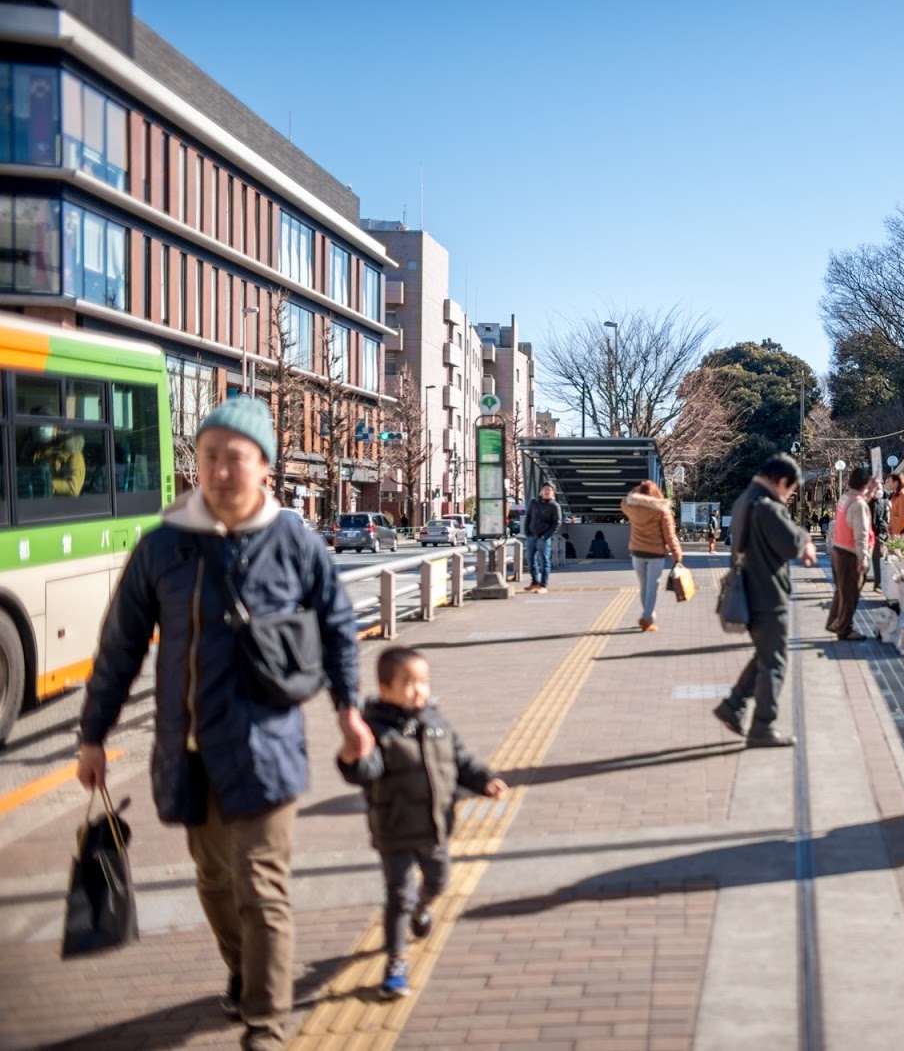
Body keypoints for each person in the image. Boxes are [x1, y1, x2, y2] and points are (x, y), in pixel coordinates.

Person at [76, 395, 372, 1051]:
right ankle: (242, 969)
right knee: (214, 881)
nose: (218, 470)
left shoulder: (293, 540)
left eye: (233, 458)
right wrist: (93, 735)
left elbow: (338, 626)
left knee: (262, 886)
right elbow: (121, 645)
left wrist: (348, 708)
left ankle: (266, 1026)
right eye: (208, 457)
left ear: (265, 466)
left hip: (265, 747)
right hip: (187, 751)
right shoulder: (163, 547)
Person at [336, 647, 507, 1000]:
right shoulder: (376, 730)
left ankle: (422, 907)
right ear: (385, 688)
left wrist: (485, 780)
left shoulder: (437, 724)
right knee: (398, 895)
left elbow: (462, 762)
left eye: (423, 682)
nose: (419, 690)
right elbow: (367, 771)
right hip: (394, 829)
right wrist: (350, 759)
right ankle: (396, 962)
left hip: (435, 827)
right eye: (409, 683)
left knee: (439, 881)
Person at [713, 454, 818, 748]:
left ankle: (732, 705)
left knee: (763, 656)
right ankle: (762, 727)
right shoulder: (768, 507)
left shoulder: (745, 500)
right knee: (774, 662)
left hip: (748, 590)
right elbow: (790, 544)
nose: (789, 497)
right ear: (781, 481)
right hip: (768, 594)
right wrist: (806, 539)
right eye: (791, 490)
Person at [620, 480, 684, 632]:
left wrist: (639, 488)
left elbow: (625, 499)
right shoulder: (662, 510)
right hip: (656, 554)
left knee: (643, 585)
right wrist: (677, 556)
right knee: (652, 587)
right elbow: (670, 536)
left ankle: (647, 615)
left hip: (637, 552)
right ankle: (647, 618)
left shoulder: (631, 507)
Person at [825, 468, 876, 640]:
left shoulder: (846, 498)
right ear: (865, 483)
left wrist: (872, 491)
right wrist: (864, 559)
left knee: (841, 591)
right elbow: (861, 535)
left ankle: (834, 622)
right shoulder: (859, 505)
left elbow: (861, 501)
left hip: (838, 551)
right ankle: (844, 629)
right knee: (850, 595)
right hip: (850, 554)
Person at [523, 483, 561, 593]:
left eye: (549, 489)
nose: (547, 491)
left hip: (543, 537)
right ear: (541, 491)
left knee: (544, 561)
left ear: (553, 492)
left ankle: (543, 585)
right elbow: (528, 517)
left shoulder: (554, 506)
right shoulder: (534, 503)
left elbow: (557, 523)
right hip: (531, 536)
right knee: (531, 560)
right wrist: (527, 532)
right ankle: (534, 582)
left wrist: (546, 535)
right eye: (545, 489)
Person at [870, 478, 891, 592]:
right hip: (868, 534)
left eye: (879, 486)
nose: (878, 488)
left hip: (881, 534)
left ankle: (879, 583)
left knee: (878, 557)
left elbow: (884, 518)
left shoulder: (885, 499)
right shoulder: (868, 500)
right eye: (876, 486)